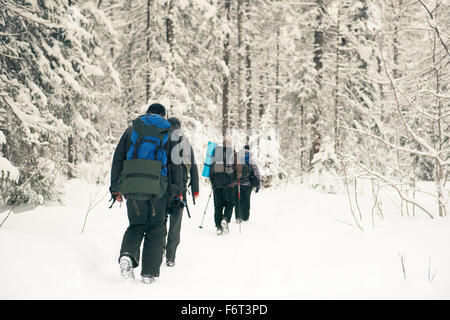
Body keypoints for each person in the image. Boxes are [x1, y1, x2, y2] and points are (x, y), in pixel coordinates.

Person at [109, 103, 182, 284]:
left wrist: (115, 188)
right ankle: (148, 273)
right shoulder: (169, 133)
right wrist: (176, 192)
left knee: (136, 225)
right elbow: (176, 165)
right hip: (159, 190)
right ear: (164, 115)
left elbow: (118, 160)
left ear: (147, 113)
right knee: (156, 229)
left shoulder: (131, 130)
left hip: (133, 187)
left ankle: (127, 255)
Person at [164, 117, 199, 267]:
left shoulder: (163, 139)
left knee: (160, 221)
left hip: (162, 189)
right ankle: (170, 256)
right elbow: (194, 167)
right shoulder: (185, 143)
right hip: (180, 191)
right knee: (175, 224)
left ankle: (159, 250)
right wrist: (195, 190)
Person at [209, 139, 240, 235]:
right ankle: (225, 219)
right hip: (229, 184)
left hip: (216, 184)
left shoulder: (215, 153)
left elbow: (210, 168)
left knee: (217, 206)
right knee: (230, 203)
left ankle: (218, 227)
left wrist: (212, 182)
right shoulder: (234, 154)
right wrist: (236, 180)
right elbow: (239, 169)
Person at [235, 145, 261, 222]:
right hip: (248, 185)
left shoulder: (238, 159)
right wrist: (258, 184)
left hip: (238, 184)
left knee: (238, 200)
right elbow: (256, 173)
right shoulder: (251, 160)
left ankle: (238, 217)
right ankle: (245, 217)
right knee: (246, 200)